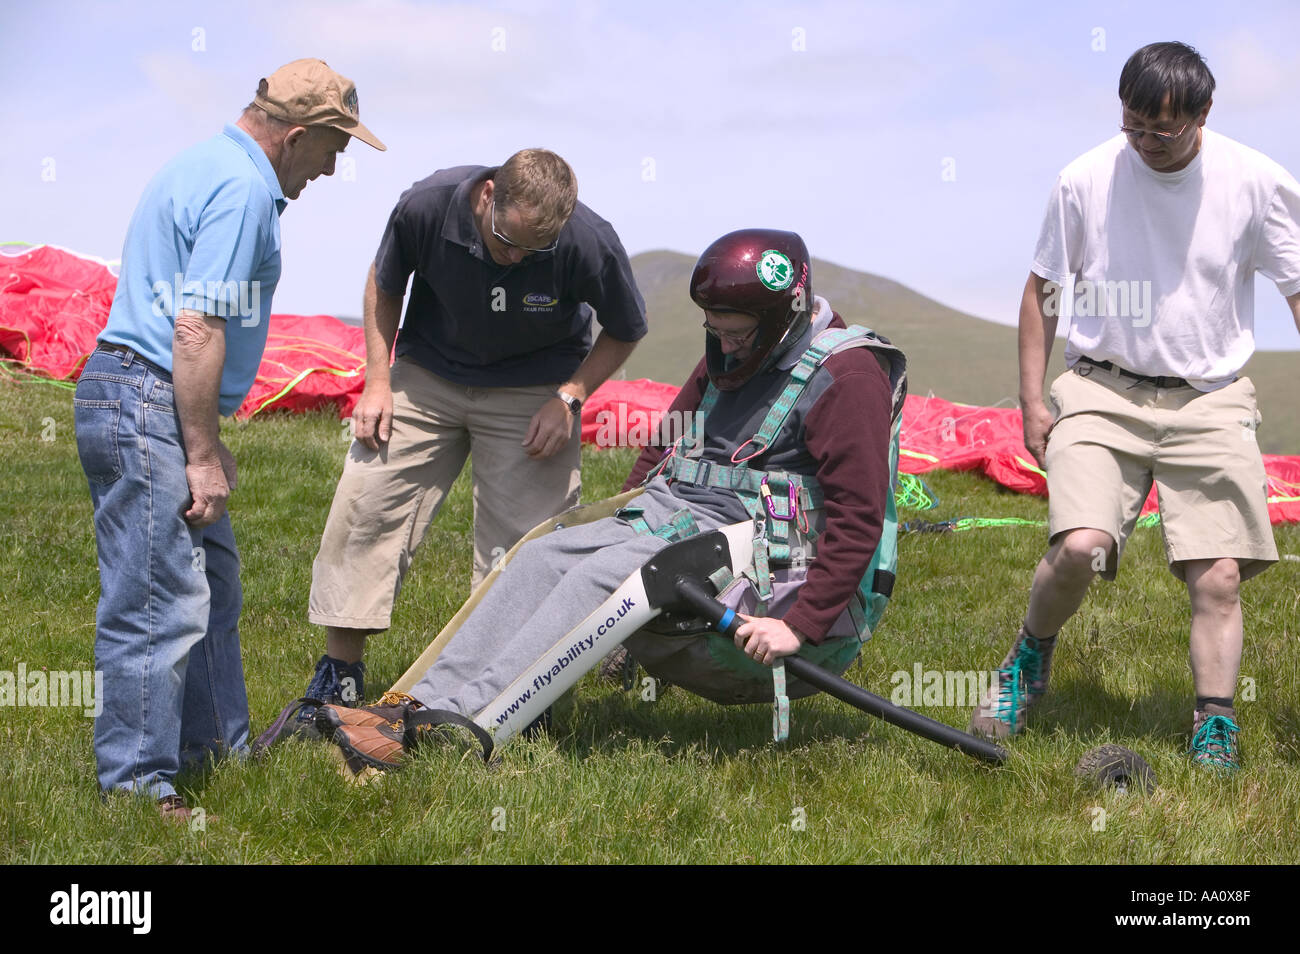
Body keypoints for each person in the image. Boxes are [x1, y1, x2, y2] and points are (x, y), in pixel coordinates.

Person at [311, 228, 904, 770]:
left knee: (603, 577)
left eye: (736, 332)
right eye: (714, 330)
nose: (723, 344)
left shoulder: (848, 377)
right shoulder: (732, 350)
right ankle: (413, 704)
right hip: (677, 517)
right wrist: (626, 512)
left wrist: (799, 625)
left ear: (783, 317)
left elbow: (858, 519)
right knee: (545, 555)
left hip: (768, 559)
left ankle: (458, 727)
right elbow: (666, 446)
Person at [968, 42, 1300, 772]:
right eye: (1133, 126)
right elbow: (1042, 290)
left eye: (1164, 132)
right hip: (1101, 388)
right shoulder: (1083, 180)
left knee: (1217, 574)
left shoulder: (1256, 182)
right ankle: (1029, 658)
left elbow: (1297, 288)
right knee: (1080, 547)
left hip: (1210, 398)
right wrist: (1031, 400)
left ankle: (1214, 723)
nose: (1147, 143)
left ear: (1203, 116)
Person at [74, 59, 385, 818]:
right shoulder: (246, 188)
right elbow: (196, 324)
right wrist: (202, 453)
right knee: (160, 598)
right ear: (298, 134)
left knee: (212, 584)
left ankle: (218, 752)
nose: (335, 166)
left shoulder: (204, 162)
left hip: (142, 396)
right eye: (334, 148)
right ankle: (139, 787)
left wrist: (199, 433)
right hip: (146, 393)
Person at [297, 149, 647, 725]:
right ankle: (341, 674)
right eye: (507, 241)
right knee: (368, 505)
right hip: (427, 373)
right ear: (488, 196)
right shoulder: (426, 207)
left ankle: (514, 687)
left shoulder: (589, 240)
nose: (516, 259)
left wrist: (570, 397)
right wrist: (378, 382)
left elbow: (626, 328)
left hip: (533, 388)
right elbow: (384, 286)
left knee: (528, 546)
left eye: (535, 251)